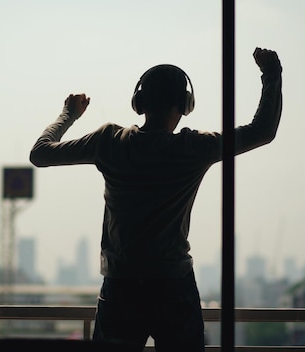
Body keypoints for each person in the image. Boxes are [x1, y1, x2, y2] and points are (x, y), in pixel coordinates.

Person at [29, 47, 282, 351]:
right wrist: (271, 74)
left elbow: (40, 153)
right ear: (185, 104)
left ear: (140, 102)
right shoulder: (193, 148)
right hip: (174, 286)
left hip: (121, 286)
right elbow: (262, 131)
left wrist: (68, 114)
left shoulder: (109, 141)